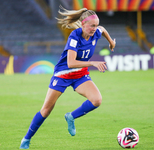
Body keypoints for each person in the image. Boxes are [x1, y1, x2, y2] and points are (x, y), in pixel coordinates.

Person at [20, 6, 116, 149]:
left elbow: (103, 30)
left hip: (80, 74)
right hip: (63, 74)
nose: (95, 29)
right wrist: (92, 63)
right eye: (92, 26)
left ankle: (71, 116)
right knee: (46, 110)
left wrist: (111, 42)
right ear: (83, 24)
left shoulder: (96, 32)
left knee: (97, 100)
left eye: (95, 25)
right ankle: (26, 139)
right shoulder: (74, 36)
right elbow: (71, 63)